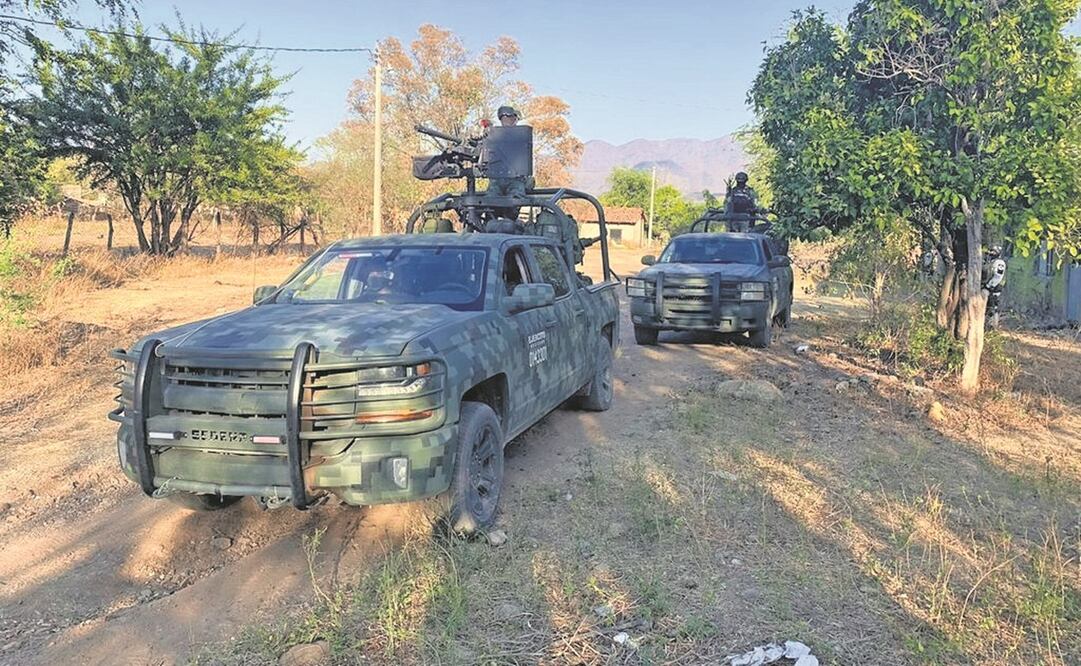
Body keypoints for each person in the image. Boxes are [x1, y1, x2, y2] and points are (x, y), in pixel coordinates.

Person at [487, 105, 528, 218]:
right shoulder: (494, 136)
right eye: (504, 118)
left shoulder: (521, 135)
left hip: (516, 179)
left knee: (514, 203)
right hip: (497, 179)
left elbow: (523, 160)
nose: (507, 120)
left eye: (510, 117)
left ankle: (509, 223)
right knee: (489, 203)